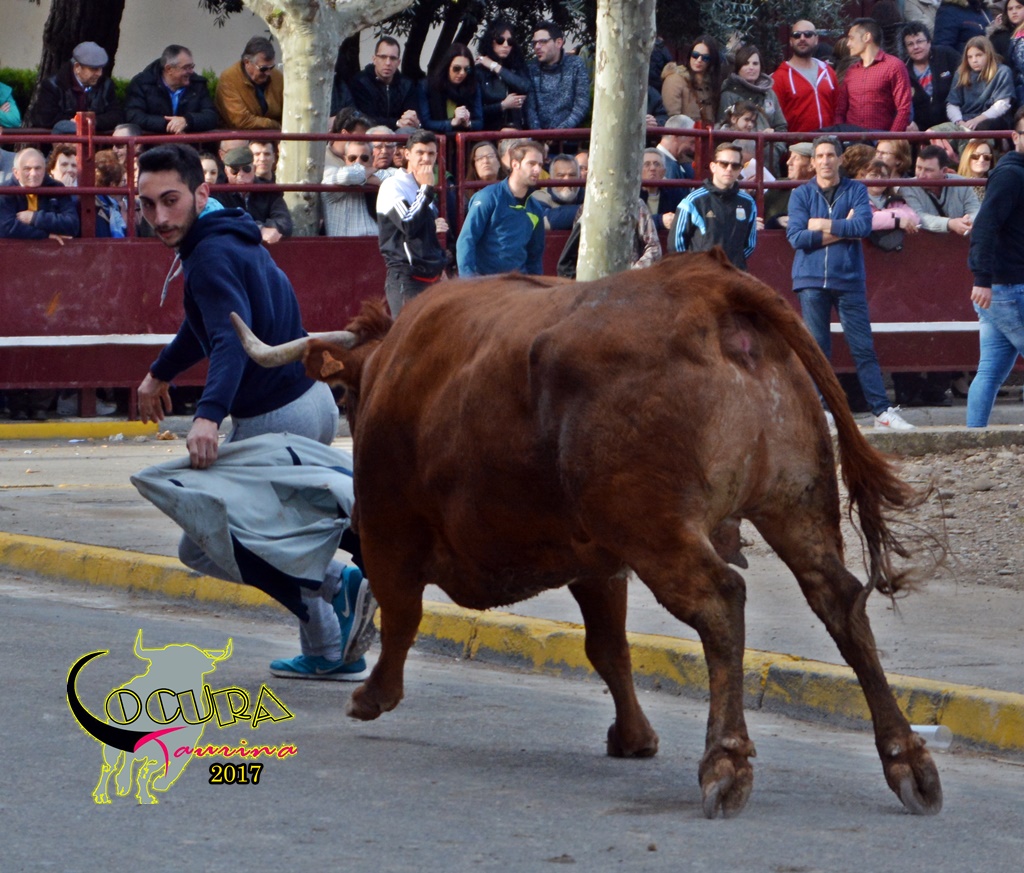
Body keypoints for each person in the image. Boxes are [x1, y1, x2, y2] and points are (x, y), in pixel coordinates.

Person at [133, 143, 375, 680]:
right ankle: (329, 650)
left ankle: (340, 583)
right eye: (147, 205)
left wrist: (207, 416)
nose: (160, 217)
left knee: (205, 545)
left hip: (275, 417)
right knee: (285, 531)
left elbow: (227, 340)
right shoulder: (226, 234)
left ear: (201, 193)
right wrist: (160, 371)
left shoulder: (209, 256)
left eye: (171, 200)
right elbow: (212, 324)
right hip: (310, 400)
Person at [786, 136, 914, 430]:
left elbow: (863, 226)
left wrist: (820, 224)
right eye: (820, 156)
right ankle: (820, 410)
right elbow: (796, 237)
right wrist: (844, 229)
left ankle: (881, 411)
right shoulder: (801, 194)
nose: (826, 160)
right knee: (818, 349)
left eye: (831, 155)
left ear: (840, 159)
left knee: (863, 347)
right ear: (813, 161)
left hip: (848, 278)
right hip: (811, 279)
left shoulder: (855, 189)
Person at [0, 148, 79, 420]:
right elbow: (6, 227)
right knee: (15, 336)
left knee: (50, 334)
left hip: (52, 276)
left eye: (38, 169)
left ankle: (41, 405)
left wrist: (35, 218)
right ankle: (17, 405)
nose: (34, 174)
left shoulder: (56, 189)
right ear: (16, 172)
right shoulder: (5, 192)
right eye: (27, 169)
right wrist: (46, 236)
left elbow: (72, 224)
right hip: (14, 278)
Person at [966, 107, 1024, 425]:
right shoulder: (1010, 175)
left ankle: (973, 437)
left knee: (989, 371)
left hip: (1001, 288)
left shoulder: (1012, 173)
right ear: (1015, 137)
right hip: (1010, 287)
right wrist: (982, 277)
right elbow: (985, 225)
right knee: (989, 372)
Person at [376, 129, 448, 316]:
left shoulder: (424, 188)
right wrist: (426, 189)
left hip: (432, 278)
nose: (426, 159)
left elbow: (425, 235)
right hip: (406, 278)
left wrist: (441, 268)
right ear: (407, 154)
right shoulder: (393, 185)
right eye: (420, 153)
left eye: (431, 153)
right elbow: (408, 225)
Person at [456, 139, 546, 277]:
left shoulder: (535, 208)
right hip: (486, 282)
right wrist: (468, 282)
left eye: (540, 164)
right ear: (515, 164)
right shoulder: (487, 197)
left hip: (519, 283)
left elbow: (535, 255)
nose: (537, 170)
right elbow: (466, 240)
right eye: (531, 164)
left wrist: (536, 283)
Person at [672, 141, 757, 269]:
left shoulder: (748, 203)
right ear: (713, 167)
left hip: (734, 273)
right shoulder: (693, 201)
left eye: (735, 166)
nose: (729, 169)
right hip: (702, 275)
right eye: (724, 164)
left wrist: (731, 264)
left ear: (740, 170)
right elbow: (676, 244)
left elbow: (749, 244)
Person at [719, 44, 788, 175]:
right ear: (738, 67)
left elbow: (781, 127)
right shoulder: (729, 95)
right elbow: (723, 129)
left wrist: (776, 150)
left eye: (755, 63)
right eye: (746, 63)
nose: (751, 67)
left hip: (769, 163)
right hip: (740, 163)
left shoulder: (769, 94)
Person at [835, 18, 913, 131]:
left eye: (851, 38)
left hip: (880, 136)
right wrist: (841, 134)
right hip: (851, 137)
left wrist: (891, 138)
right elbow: (840, 110)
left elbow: (904, 108)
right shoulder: (851, 71)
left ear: (867, 37)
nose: (848, 44)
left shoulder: (893, 66)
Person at [30, 41, 123, 133]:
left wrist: (91, 122)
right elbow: (45, 117)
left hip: (94, 140)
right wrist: (75, 122)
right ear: (77, 67)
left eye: (101, 68)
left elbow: (116, 115)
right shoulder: (53, 85)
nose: (99, 73)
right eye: (94, 69)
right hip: (61, 140)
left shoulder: (106, 85)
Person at [125, 45, 218, 135]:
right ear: (169, 69)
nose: (191, 71)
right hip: (152, 143)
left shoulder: (198, 84)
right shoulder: (142, 83)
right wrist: (170, 124)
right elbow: (133, 116)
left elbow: (211, 116)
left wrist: (187, 121)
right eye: (186, 67)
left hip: (190, 143)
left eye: (191, 66)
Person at [332, 36, 419, 129]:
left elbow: (411, 114)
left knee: (409, 131)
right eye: (383, 57)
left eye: (393, 58)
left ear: (398, 62)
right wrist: (397, 123)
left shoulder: (407, 85)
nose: (388, 63)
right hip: (369, 132)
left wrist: (412, 120)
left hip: (400, 132)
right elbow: (365, 118)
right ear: (374, 59)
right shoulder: (360, 82)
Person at [772, 20, 838, 133]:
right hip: (796, 142)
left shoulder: (828, 71)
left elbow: (838, 110)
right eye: (796, 35)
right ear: (791, 41)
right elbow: (775, 119)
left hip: (827, 141)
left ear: (816, 39)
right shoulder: (780, 77)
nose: (802, 38)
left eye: (808, 34)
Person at [524, 21, 591, 131]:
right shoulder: (531, 68)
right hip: (537, 137)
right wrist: (539, 135)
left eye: (543, 42)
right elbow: (530, 109)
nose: (537, 47)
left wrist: (559, 132)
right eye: (534, 43)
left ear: (559, 43)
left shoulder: (576, 65)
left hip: (569, 135)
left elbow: (582, 105)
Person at [218, 145, 292, 244]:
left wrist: (269, 229)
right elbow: (222, 223)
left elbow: (284, 222)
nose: (240, 174)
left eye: (246, 169)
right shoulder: (219, 193)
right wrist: (259, 229)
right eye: (234, 170)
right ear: (226, 172)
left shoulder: (269, 190)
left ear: (254, 169)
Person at [901, 144, 981, 234]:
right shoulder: (908, 187)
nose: (921, 175)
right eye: (919, 168)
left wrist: (969, 220)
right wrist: (950, 224)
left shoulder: (962, 183)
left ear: (944, 171)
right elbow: (918, 217)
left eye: (928, 170)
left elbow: (975, 210)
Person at [945, 36, 1015, 131]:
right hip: (963, 120)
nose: (974, 60)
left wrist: (977, 120)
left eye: (978, 55)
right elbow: (952, 104)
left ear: (988, 54)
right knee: (932, 132)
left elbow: (1002, 104)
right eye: (970, 57)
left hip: (990, 121)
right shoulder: (961, 73)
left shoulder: (1002, 72)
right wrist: (959, 122)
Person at [902, 22, 963, 131]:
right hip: (919, 131)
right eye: (910, 44)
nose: (916, 47)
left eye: (919, 41)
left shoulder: (946, 55)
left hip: (953, 124)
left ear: (929, 42)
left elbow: (966, 76)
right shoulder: (902, 69)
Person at [215, 36, 284, 130]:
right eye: (263, 68)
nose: (268, 73)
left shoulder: (278, 77)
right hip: (239, 134)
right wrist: (274, 125)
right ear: (247, 62)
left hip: (275, 133)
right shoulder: (228, 79)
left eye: (271, 67)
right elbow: (240, 120)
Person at [475, 19, 531, 130]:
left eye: (510, 42)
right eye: (500, 40)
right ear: (490, 41)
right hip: (489, 130)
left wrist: (495, 66)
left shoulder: (516, 66)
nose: (505, 45)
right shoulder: (479, 71)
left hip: (515, 129)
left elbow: (524, 86)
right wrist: (503, 105)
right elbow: (476, 110)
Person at [419, 43, 484, 136]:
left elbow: (479, 122)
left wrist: (468, 123)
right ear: (447, 66)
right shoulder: (428, 85)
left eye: (467, 69)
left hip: (464, 138)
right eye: (456, 68)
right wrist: (452, 122)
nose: (462, 73)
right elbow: (425, 122)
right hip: (435, 139)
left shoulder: (473, 86)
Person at [660, 34, 724, 127]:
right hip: (683, 133)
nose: (699, 60)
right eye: (695, 55)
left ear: (711, 61)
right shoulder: (675, 80)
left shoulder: (711, 85)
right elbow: (672, 119)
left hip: (706, 134)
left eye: (705, 58)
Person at [322, 139, 378, 237]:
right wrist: (369, 173)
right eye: (352, 158)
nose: (358, 163)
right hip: (346, 242)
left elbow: (392, 177)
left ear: (372, 158)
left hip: (376, 240)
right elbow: (348, 176)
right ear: (345, 159)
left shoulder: (377, 174)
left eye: (364, 158)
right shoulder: (333, 175)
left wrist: (370, 177)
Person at [529, 153, 583, 230]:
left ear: (579, 178)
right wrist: (583, 210)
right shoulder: (539, 197)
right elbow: (543, 221)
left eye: (572, 175)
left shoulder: (588, 196)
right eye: (560, 175)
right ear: (550, 179)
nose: (567, 180)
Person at [640, 148, 684, 232]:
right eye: (647, 164)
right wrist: (660, 220)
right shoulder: (632, 194)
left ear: (664, 172)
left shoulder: (674, 193)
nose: (652, 168)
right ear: (638, 170)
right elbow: (631, 222)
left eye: (657, 164)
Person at [989, 0, 1024, 106]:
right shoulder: (999, 37)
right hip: (1011, 91)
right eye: (1010, 9)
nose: (1014, 12)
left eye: (1018, 7)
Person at [655, 114, 696, 180]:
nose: (693, 149)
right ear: (677, 136)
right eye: (691, 142)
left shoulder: (670, 163)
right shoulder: (666, 166)